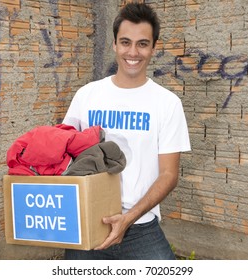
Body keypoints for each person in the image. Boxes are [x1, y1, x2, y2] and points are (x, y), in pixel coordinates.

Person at [62, 2, 191, 260]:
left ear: (154, 48)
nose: (133, 52)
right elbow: (62, 152)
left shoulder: (167, 103)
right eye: (125, 42)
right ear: (114, 44)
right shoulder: (87, 95)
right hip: (89, 219)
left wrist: (128, 218)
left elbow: (169, 174)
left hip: (140, 226)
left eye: (142, 43)